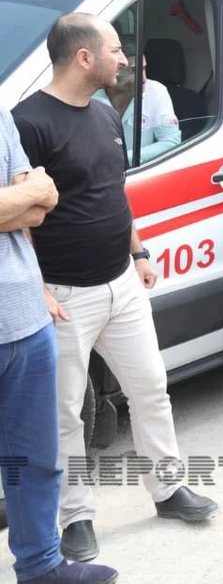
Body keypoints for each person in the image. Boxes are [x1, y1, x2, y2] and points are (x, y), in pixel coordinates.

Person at [13, 13, 219, 565]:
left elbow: (113, 193)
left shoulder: (105, 114)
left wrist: (139, 252)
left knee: (151, 388)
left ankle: (169, 488)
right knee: (64, 415)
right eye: (114, 49)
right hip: (62, 296)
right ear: (84, 57)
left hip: (120, 283)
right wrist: (40, 291)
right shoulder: (27, 123)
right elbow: (18, 219)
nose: (124, 59)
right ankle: (75, 516)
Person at [0, 111, 121, 584]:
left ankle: (42, 566)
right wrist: (23, 195)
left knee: (34, 459)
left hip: (25, 315)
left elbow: (42, 201)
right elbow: (30, 194)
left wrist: (27, 197)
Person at [92, 50, 181, 165]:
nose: (143, 78)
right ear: (113, 71)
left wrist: (124, 159)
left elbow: (171, 141)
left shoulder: (156, 92)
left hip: (141, 172)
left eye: (143, 69)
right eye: (134, 71)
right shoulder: (91, 95)